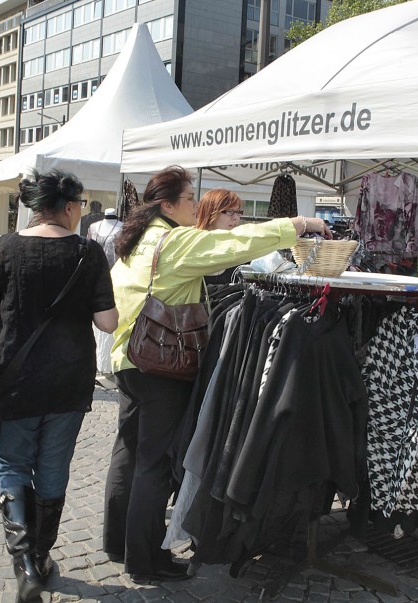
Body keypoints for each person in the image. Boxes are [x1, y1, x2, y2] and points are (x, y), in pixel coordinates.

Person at [102, 166, 330, 583]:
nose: (195, 205)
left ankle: (118, 543)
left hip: (129, 358)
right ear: (167, 205)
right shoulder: (175, 241)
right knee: (153, 464)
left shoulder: (137, 240)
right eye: (189, 198)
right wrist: (297, 225)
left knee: (129, 453)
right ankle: (144, 561)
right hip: (161, 364)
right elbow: (236, 242)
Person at [0, 169, 117, 601]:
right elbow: (108, 322)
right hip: (68, 381)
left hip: (16, 381)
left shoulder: (5, 247)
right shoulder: (88, 253)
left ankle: (25, 566)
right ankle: (40, 556)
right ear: (71, 207)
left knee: (13, 466)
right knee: (53, 467)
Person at [87, 207, 124, 374]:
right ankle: (97, 361)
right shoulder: (93, 227)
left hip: (115, 277)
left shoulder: (123, 228)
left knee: (109, 319)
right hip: (94, 277)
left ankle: (107, 363)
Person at [195, 188, 246, 285]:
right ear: (210, 212)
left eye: (238, 212)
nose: (236, 218)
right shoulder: (192, 245)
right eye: (230, 211)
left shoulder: (240, 247)